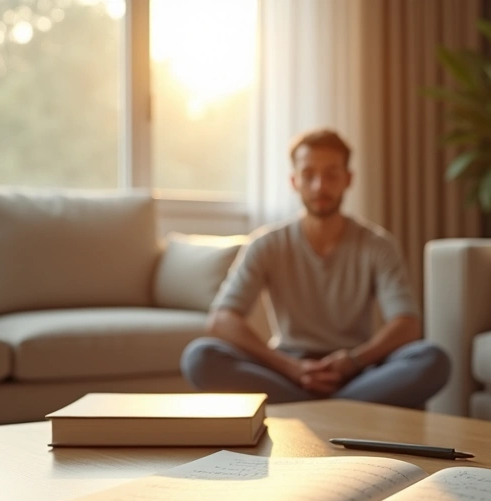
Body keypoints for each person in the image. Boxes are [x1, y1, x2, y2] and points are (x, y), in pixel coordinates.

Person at [180, 129, 450, 408]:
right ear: (294, 181)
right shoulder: (266, 243)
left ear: (348, 179)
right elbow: (222, 320)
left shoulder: (378, 245)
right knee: (199, 357)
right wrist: (290, 367)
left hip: (357, 371)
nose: (320, 186)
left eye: (331, 174)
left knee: (432, 359)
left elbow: (407, 324)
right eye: (308, 175)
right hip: (287, 371)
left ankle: (310, 411)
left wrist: (354, 361)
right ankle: (345, 410)